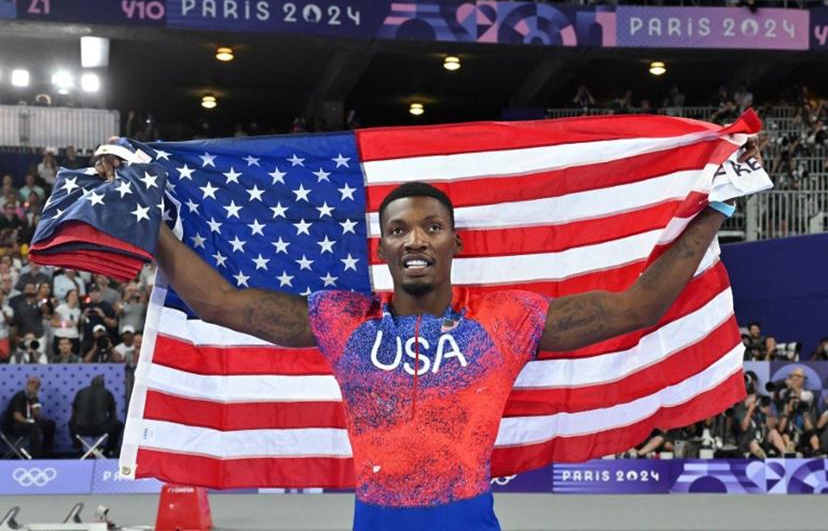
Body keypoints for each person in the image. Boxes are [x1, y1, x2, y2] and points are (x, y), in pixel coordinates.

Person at [94, 143, 758, 530]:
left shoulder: (504, 320)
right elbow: (218, 302)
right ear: (382, 245)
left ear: (454, 242)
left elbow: (637, 307)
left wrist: (719, 207)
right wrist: (140, 213)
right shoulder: (340, 320)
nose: (417, 239)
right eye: (402, 229)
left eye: (432, 227)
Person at [69, 375, 123, 457]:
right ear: (103, 384)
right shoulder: (107, 393)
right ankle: (109, 451)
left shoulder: (80, 392)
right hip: (101, 429)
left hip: (81, 429)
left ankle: (78, 448)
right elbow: (113, 415)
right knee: (118, 425)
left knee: (70, 423)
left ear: (91, 383)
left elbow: (74, 414)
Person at [2, 376, 55, 458]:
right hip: (14, 425)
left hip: (27, 423)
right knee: (33, 427)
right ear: (28, 384)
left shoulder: (34, 398)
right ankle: (36, 456)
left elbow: (36, 416)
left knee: (49, 424)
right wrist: (29, 422)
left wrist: (34, 401)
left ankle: (47, 451)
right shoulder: (19, 396)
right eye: (33, 383)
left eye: (38, 385)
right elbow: (17, 416)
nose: (35, 386)